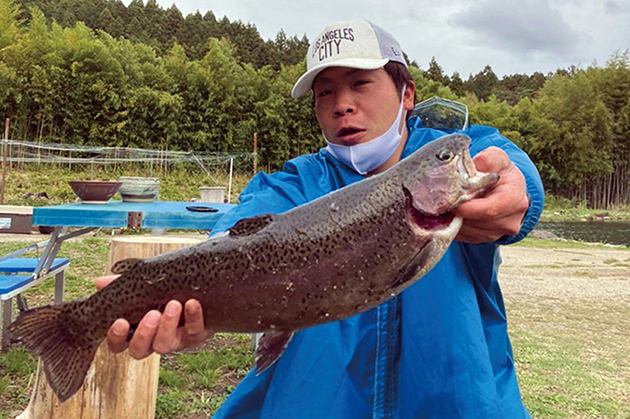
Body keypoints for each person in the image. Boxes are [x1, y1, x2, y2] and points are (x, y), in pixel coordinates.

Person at [97, 19, 543, 418]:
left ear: (407, 94)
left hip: (462, 403)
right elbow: (230, 240)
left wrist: (519, 192)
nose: (342, 104)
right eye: (325, 91)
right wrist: (190, 310)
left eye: (360, 84)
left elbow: (506, 165)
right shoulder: (289, 185)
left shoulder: (447, 157)